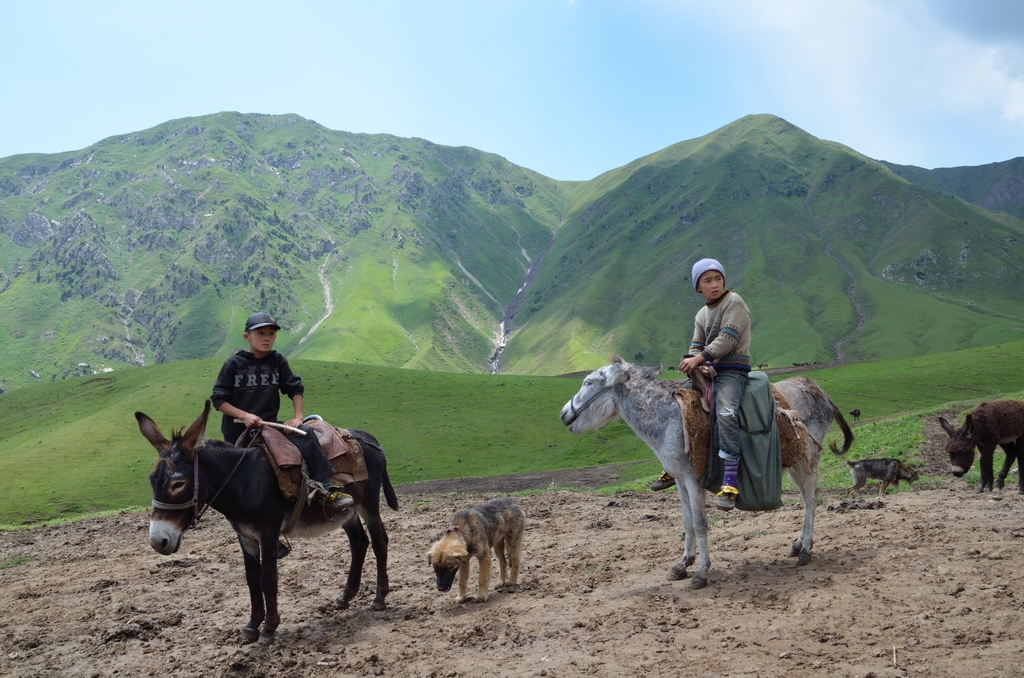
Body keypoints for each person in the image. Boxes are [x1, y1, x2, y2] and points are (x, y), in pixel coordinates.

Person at [211, 312, 354, 518]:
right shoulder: (234, 364)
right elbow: (218, 400)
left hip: (269, 426)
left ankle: (325, 488)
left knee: (305, 432)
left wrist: (297, 416)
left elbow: (295, 388)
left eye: (271, 333)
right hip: (238, 431)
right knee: (239, 480)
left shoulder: (277, 360)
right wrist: (244, 416)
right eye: (260, 333)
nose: (267, 337)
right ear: (247, 337)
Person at [649, 258, 751, 511]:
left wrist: (701, 358)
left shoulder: (734, 302)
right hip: (709, 369)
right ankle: (673, 467)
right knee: (678, 407)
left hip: (733, 371)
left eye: (718, 278)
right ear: (698, 287)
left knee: (726, 412)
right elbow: (696, 346)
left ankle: (729, 482)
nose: (714, 284)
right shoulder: (702, 314)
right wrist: (695, 362)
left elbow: (728, 339)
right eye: (708, 281)